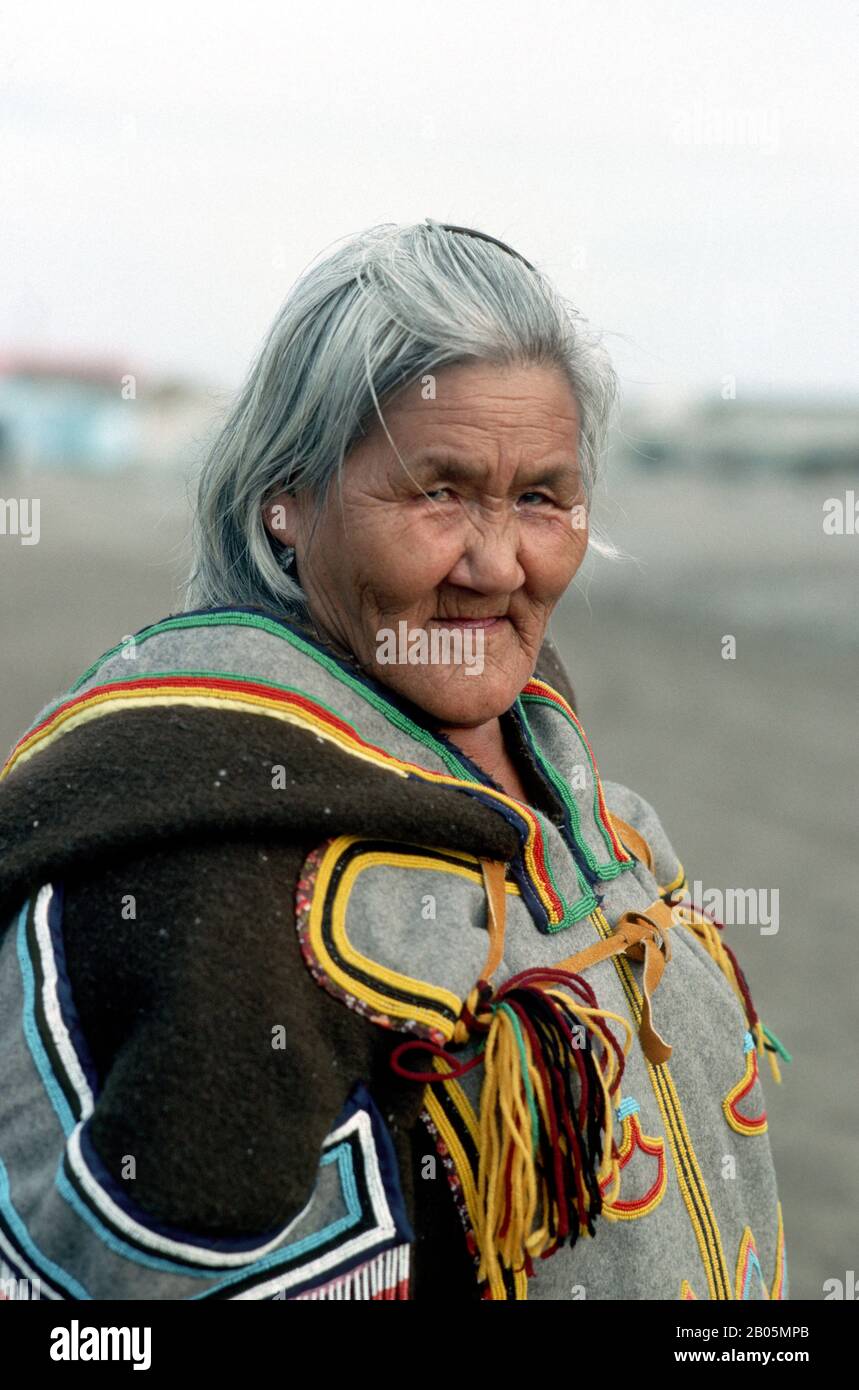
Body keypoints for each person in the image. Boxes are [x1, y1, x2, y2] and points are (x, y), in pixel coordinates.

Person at [0, 219, 790, 1301]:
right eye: (438, 492)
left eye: (540, 497)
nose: (497, 561)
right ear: (284, 501)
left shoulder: (590, 817)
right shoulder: (211, 884)